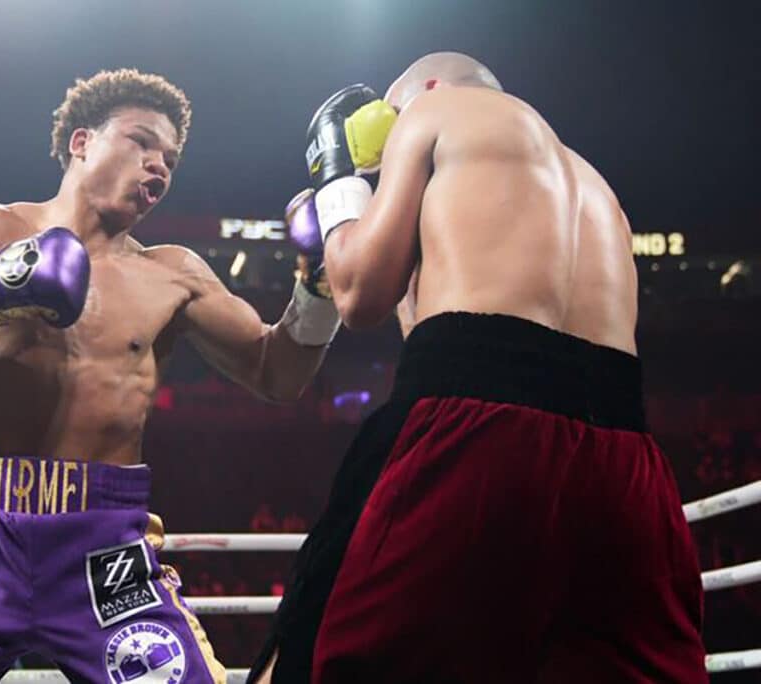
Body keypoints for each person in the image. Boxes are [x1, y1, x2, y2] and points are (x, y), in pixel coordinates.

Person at [0, 67, 341, 683]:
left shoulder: (174, 275)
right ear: (81, 141)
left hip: (107, 555)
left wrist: (318, 287)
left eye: (169, 160)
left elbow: (277, 373)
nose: (158, 167)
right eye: (141, 142)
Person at [251, 52, 706, 683]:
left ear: (426, 89)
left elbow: (358, 295)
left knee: (321, 651)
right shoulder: (592, 183)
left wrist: (338, 185)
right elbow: (425, 321)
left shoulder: (433, 109)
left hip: (477, 431)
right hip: (625, 460)